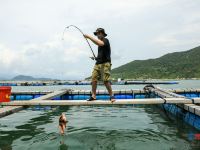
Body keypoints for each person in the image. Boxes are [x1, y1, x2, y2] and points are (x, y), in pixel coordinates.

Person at [83, 28, 115, 103]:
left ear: (102, 33)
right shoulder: (99, 44)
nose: (97, 35)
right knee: (93, 79)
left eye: (98, 33)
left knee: (106, 80)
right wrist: (95, 58)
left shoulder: (105, 40)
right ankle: (93, 96)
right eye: (96, 34)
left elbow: (100, 43)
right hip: (98, 63)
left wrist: (88, 36)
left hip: (105, 63)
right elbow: (101, 55)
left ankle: (111, 96)